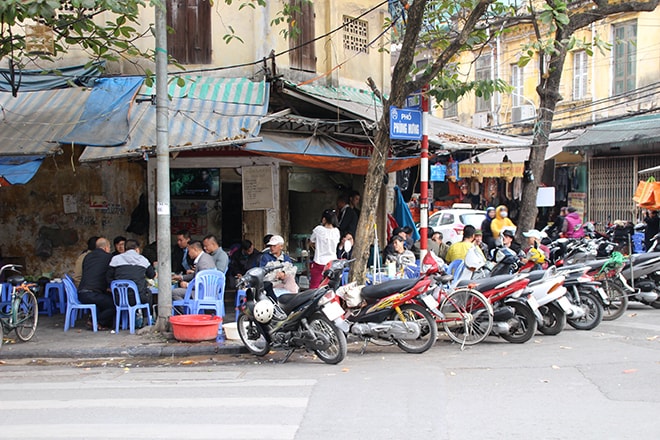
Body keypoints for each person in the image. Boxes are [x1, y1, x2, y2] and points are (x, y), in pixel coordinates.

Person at [107, 239, 156, 312]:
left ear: (125, 249)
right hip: (138, 298)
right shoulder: (143, 260)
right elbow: (151, 275)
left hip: (119, 298)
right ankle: (147, 317)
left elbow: (108, 277)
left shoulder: (115, 259)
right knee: (148, 293)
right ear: (137, 249)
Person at [77, 237, 114, 330]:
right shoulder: (109, 258)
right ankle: (95, 321)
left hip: (81, 292)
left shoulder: (87, 257)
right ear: (106, 248)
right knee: (115, 304)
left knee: (105, 300)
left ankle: (101, 323)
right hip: (93, 294)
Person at [309, 209, 341, 288]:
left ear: (324, 219)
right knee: (330, 286)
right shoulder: (337, 231)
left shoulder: (318, 230)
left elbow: (311, 241)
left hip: (319, 262)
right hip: (332, 263)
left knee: (315, 286)